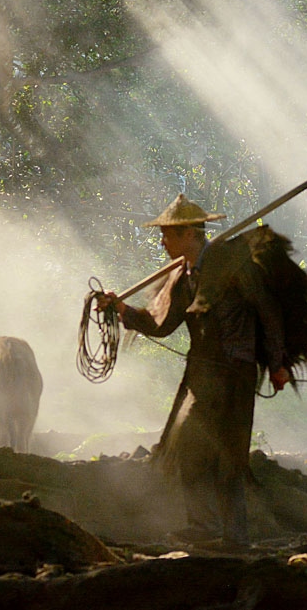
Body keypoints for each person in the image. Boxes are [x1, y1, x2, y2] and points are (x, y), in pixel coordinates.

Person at [98, 194, 291, 550]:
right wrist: (121, 309)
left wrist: (277, 364)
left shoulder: (232, 264)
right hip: (201, 375)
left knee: (228, 455)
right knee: (186, 445)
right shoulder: (181, 276)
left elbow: (268, 312)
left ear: (189, 234)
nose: (162, 242)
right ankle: (203, 525)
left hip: (235, 371)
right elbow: (161, 324)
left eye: (168, 235)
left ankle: (236, 537)